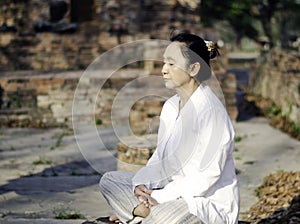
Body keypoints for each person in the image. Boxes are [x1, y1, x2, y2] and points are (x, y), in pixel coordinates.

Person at [90, 32, 240, 224]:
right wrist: (142, 185)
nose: (163, 70)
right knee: (110, 181)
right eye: (164, 63)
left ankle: (137, 214)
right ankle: (143, 214)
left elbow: (206, 177)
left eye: (171, 63)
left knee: (168, 215)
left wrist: (159, 198)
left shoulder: (211, 112)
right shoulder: (170, 106)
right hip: (168, 194)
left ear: (194, 68)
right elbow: (160, 158)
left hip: (202, 203)